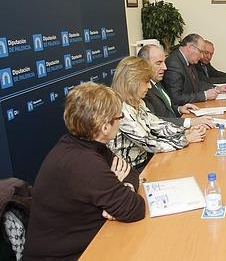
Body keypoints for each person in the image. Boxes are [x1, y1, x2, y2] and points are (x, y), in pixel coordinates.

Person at [24, 82, 145, 260]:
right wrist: (121, 192)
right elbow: (135, 209)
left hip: (91, 241)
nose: (121, 120)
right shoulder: (84, 163)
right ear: (105, 127)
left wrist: (124, 185)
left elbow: (130, 173)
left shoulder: (85, 144)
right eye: (120, 117)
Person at [109, 56, 205, 171]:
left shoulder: (136, 102)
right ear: (132, 82)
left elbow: (157, 125)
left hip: (147, 161)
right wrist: (185, 139)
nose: (149, 87)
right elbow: (148, 142)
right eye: (146, 82)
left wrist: (184, 131)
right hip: (132, 170)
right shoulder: (120, 109)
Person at [137, 44, 215, 129]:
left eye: (164, 62)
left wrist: (179, 109)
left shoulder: (156, 81)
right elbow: (154, 121)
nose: (165, 67)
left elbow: (166, 108)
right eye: (158, 63)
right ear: (143, 65)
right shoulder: (143, 89)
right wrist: (190, 122)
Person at [163, 33, 226, 105]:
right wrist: (205, 95)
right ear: (190, 47)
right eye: (200, 52)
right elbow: (176, 98)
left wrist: (216, 89)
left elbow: (196, 83)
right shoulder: (173, 63)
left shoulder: (189, 60)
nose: (201, 56)